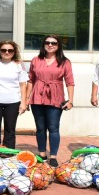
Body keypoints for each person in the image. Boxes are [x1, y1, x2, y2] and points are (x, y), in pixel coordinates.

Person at [27, 35, 75, 167]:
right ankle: (42, 153)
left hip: (56, 97)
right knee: (40, 128)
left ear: (58, 45)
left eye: (54, 43)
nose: (50, 45)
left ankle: (53, 156)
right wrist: (26, 99)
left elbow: (70, 82)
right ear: (43, 45)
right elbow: (30, 80)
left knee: (53, 128)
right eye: (47, 42)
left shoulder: (65, 62)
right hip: (37, 96)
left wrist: (70, 100)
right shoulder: (36, 60)